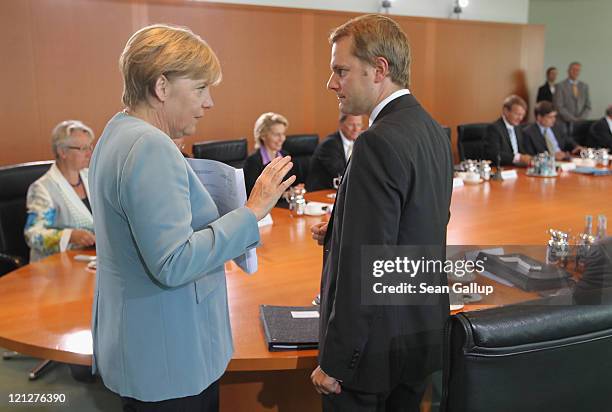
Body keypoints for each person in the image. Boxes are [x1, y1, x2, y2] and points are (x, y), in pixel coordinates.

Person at [89, 24, 294, 410]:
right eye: (200, 88)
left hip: (143, 344)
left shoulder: (116, 133)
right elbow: (173, 262)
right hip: (171, 354)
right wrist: (251, 212)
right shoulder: (151, 146)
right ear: (162, 88)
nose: (209, 101)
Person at [310, 14, 452, 411]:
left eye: (341, 70)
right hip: (418, 338)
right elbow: (420, 224)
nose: (332, 83)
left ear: (379, 70)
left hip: (370, 359)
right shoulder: (433, 130)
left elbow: (367, 267)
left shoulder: (375, 142)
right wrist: (341, 228)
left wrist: (336, 362)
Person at [24, 120, 95, 262]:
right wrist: (70, 236)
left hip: (89, 260)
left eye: (90, 147)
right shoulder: (42, 189)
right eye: (82, 149)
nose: (89, 154)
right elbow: (33, 235)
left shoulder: (91, 176)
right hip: (55, 268)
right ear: (62, 152)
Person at [243, 112, 299, 199]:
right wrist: (283, 195)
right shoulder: (252, 161)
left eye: (283, 134)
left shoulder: (285, 156)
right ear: (263, 136)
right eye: (276, 134)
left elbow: (291, 185)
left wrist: (296, 189)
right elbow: (253, 196)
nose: (282, 139)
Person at [306, 114, 363, 191]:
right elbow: (342, 174)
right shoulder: (329, 144)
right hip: (321, 193)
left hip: (341, 192)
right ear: (341, 124)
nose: (356, 129)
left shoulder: (358, 143)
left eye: (359, 125)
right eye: (351, 125)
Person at [483, 95, 532, 167]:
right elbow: (494, 154)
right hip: (502, 169)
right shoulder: (494, 128)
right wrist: (519, 158)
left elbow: (521, 150)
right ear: (505, 111)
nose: (520, 118)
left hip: (518, 169)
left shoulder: (518, 128)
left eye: (522, 115)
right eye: (517, 114)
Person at [553, 62, 591, 127]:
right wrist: (572, 119)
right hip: (564, 123)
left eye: (578, 70)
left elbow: (588, 106)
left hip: (580, 123)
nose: (575, 72)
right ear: (568, 71)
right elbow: (558, 106)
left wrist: (581, 118)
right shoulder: (560, 86)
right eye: (573, 69)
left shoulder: (584, 86)